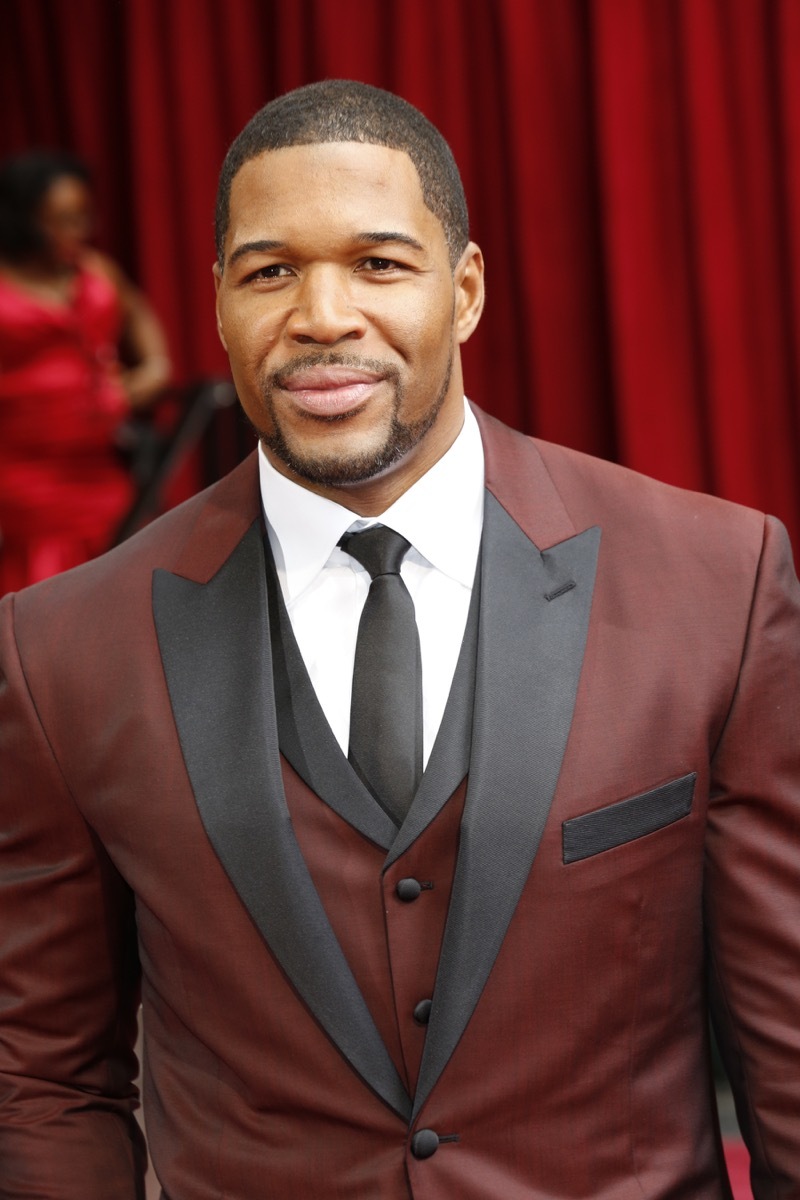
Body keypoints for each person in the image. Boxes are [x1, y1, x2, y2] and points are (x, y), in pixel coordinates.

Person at [0, 80, 798, 1200]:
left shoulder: (715, 580)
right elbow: (42, 1078)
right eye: (269, 270)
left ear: (463, 291)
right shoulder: (58, 649)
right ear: (219, 303)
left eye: (377, 263)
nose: (321, 315)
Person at [0, 150, 171, 593]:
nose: (76, 231)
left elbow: (140, 320)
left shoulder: (96, 271)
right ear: (23, 220)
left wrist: (151, 372)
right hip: (29, 480)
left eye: (81, 217)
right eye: (60, 219)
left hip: (103, 470)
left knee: (122, 588)